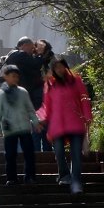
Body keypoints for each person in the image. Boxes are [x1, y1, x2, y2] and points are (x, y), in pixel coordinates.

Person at [37, 56, 92, 193]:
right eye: (56, 67)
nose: (59, 69)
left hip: (75, 122)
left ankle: (76, 182)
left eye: (61, 66)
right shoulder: (50, 84)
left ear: (65, 66)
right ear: (52, 69)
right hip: (57, 125)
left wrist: (87, 116)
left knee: (76, 154)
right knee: (59, 152)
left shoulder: (76, 81)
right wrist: (40, 117)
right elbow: (47, 104)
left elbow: (84, 99)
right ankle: (64, 175)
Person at [0, 64, 41, 184]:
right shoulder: (0, 94)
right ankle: (11, 178)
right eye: (13, 76)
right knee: (10, 155)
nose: (15, 79)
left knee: (29, 153)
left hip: (24, 127)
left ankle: (30, 177)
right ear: (6, 76)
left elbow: (30, 109)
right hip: (9, 129)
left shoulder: (23, 92)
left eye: (17, 77)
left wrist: (36, 122)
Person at [4, 36, 51, 151]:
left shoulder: (14, 57)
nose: (32, 51)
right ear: (24, 46)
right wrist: (40, 53)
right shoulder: (19, 55)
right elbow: (35, 64)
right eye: (31, 48)